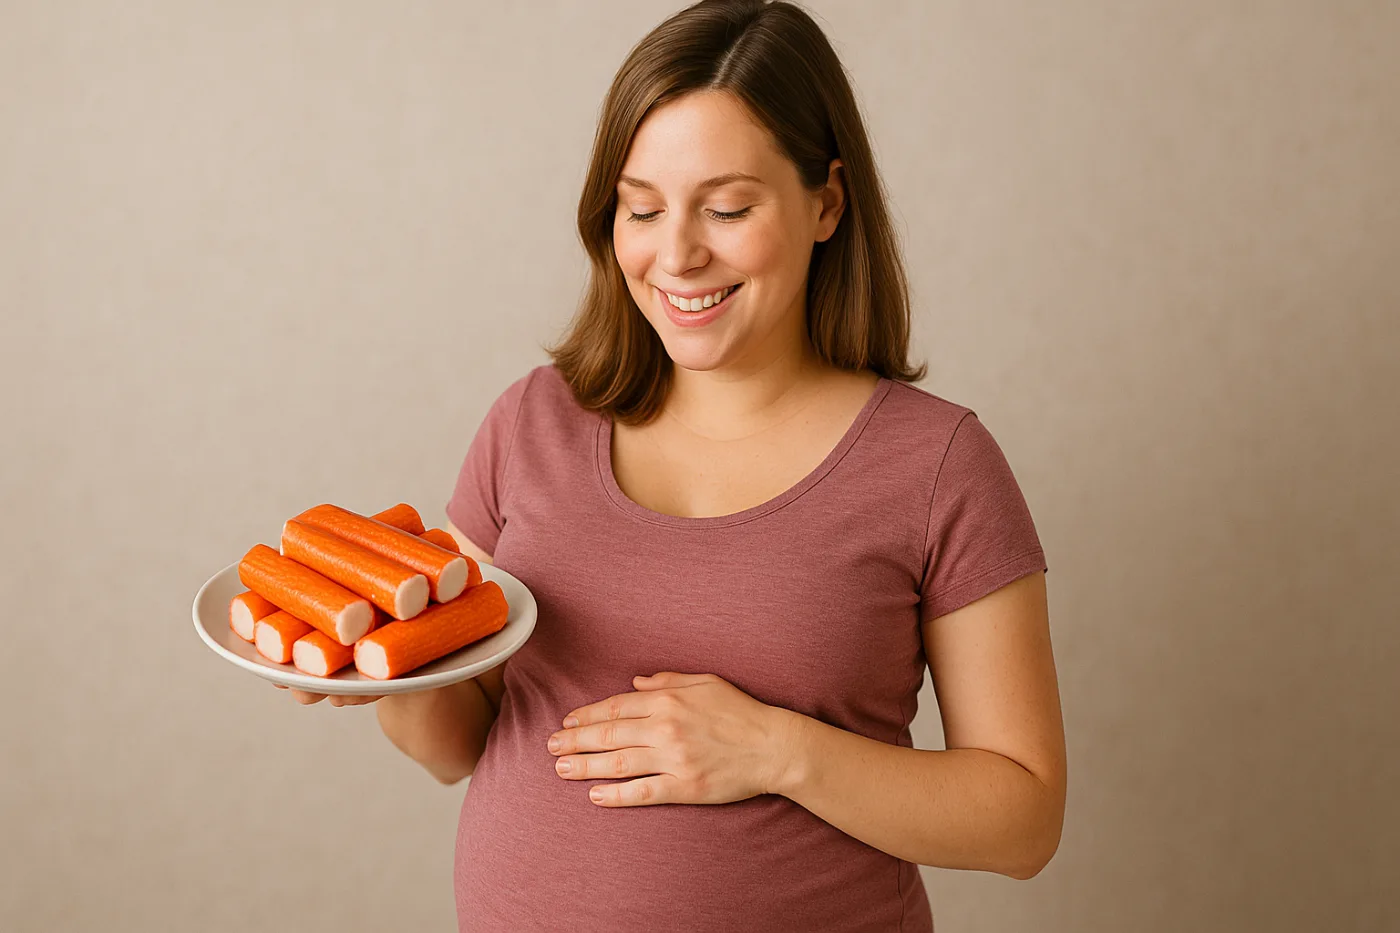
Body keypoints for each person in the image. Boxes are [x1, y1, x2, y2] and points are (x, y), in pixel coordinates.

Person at [283, 1, 1066, 929]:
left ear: (827, 201)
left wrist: (778, 750)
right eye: (642, 208)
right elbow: (457, 744)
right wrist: (386, 670)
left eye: (727, 208)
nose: (677, 254)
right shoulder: (531, 422)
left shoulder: (937, 463)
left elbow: (1024, 819)